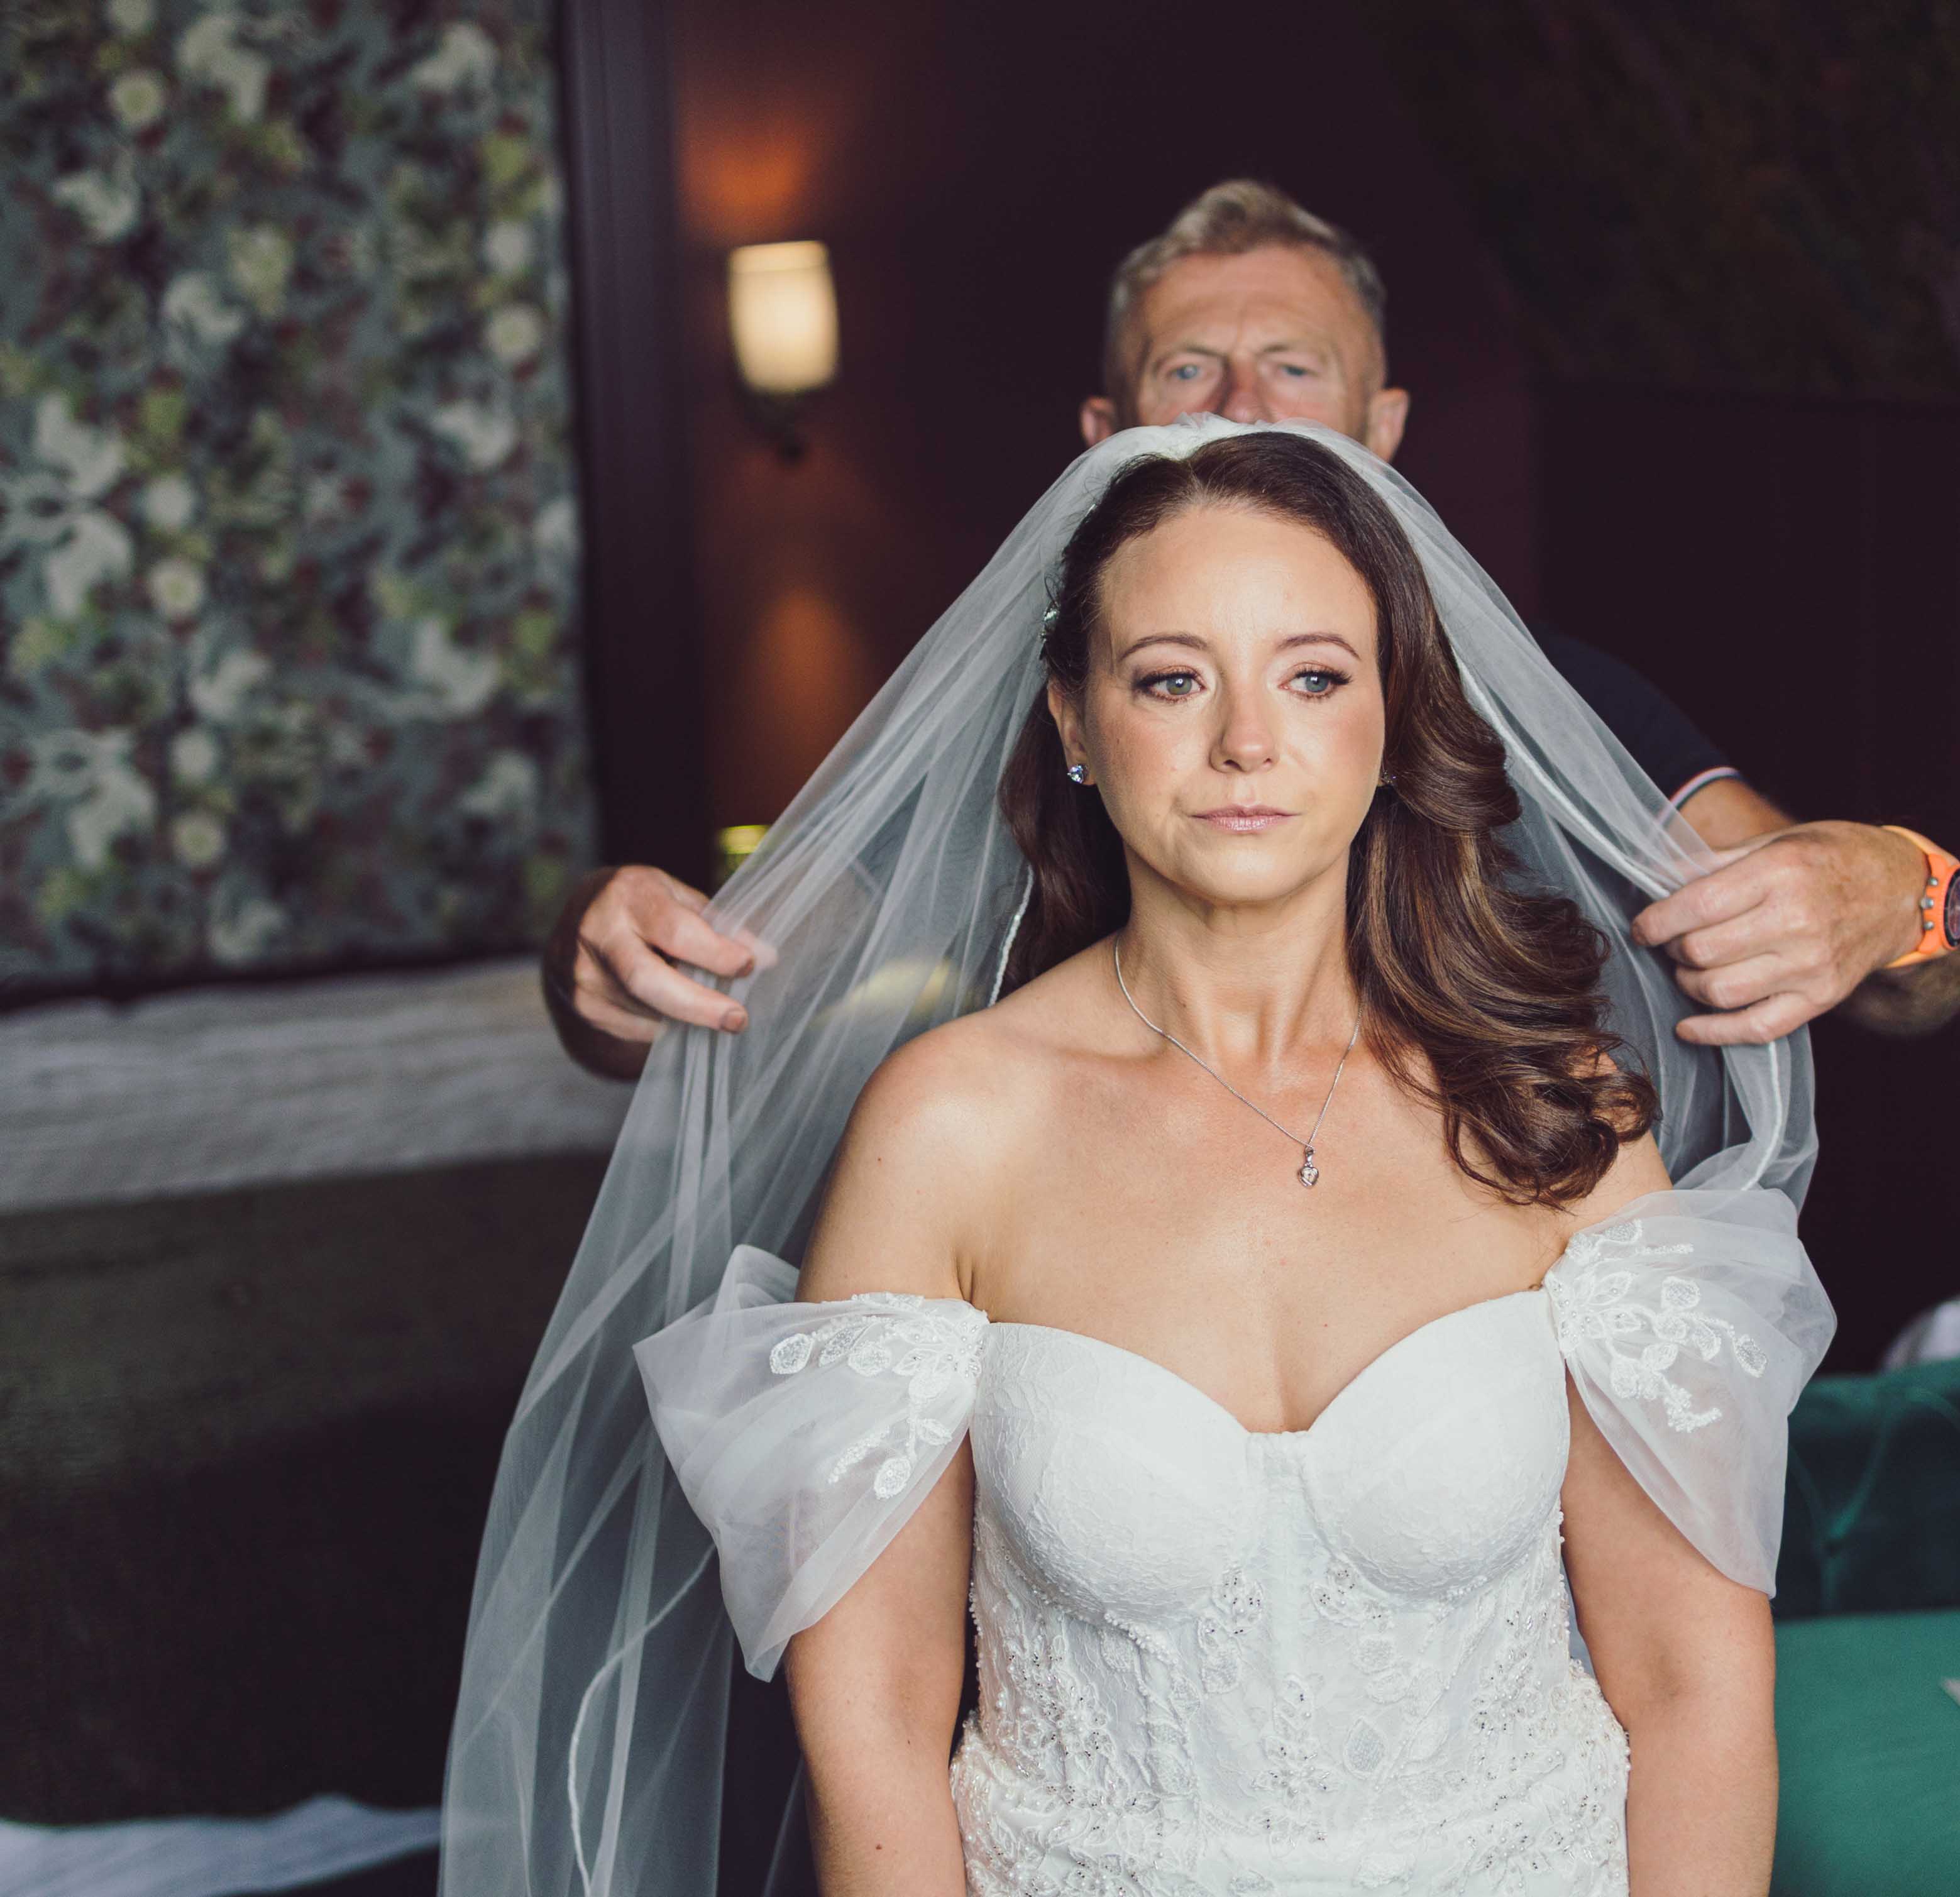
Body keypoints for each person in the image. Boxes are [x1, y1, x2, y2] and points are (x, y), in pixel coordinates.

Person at [442, 418, 1832, 1897]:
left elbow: (1693, 1684)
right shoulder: (949, 1128)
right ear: (1074, 725)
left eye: (1312, 677)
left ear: (1391, 717)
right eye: (1173, 679)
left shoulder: (1550, 1107)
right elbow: (877, 1743)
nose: (1247, 743)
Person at [545, 182, 1960, 1082]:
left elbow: (1914, 992)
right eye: (1190, 368)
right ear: (1105, 436)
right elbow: (682, 1011)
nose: (1239, 400)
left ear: (1383, 430)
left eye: (1293, 366)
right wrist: (603, 962)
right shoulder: (1011, 721)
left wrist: (1894, 887)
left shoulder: (1556, 699)